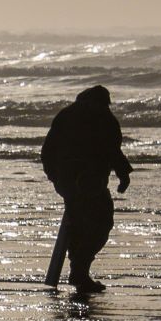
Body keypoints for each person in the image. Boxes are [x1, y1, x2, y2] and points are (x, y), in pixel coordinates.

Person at [40, 84, 132, 294]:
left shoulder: (67, 115)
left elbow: (47, 152)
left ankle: (79, 272)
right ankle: (79, 272)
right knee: (99, 224)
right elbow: (112, 150)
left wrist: (58, 180)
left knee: (81, 225)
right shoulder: (102, 118)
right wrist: (123, 175)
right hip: (86, 183)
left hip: (78, 182)